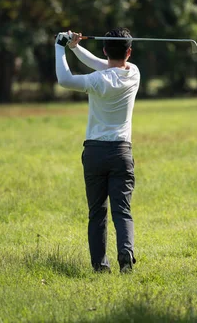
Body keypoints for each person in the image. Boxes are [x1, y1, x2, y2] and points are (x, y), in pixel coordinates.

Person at [54, 28, 140, 273]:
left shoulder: (97, 80)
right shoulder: (134, 72)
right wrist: (74, 47)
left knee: (97, 213)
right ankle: (126, 255)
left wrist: (60, 47)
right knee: (122, 210)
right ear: (129, 52)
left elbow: (65, 80)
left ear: (104, 49)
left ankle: (100, 266)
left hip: (94, 152)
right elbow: (105, 64)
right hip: (122, 152)